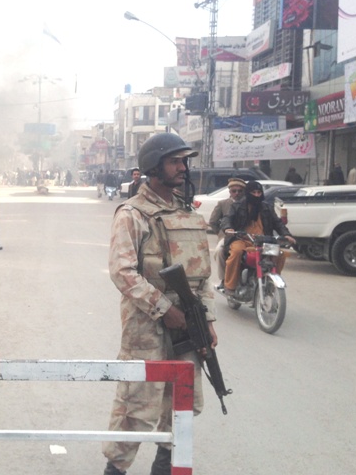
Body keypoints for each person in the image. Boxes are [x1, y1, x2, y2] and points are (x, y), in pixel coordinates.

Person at [102, 133, 217, 475]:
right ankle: (116, 469)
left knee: (181, 403)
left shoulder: (187, 213)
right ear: (153, 168)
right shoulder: (133, 214)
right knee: (136, 406)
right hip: (147, 328)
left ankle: (166, 465)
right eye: (174, 161)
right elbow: (122, 272)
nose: (183, 168)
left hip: (188, 328)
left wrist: (206, 320)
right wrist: (166, 311)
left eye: (185, 161)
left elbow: (203, 275)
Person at [223, 180, 296, 295]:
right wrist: (228, 228)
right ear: (248, 193)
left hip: (262, 241)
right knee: (236, 252)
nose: (256, 195)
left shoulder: (266, 207)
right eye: (253, 192)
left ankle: (271, 283)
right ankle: (230, 286)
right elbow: (227, 219)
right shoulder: (237, 206)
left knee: (280, 254)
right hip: (242, 239)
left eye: (258, 192)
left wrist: (287, 234)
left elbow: (278, 223)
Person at [208, 178, 246, 289]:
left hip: (245, 236)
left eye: (240, 191)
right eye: (234, 191)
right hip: (227, 236)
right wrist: (221, 233)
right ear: (229, 192)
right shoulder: (223, 204)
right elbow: (213, 222)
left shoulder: (248, 204)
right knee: (220, 251)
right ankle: (224, 279)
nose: (237, 193)